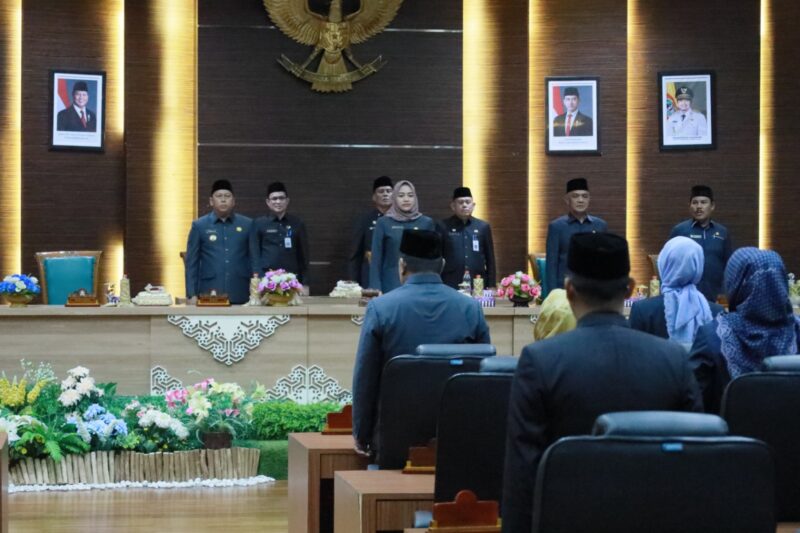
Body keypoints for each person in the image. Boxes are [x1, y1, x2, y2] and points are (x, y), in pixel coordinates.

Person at [502, 232, 703, 532]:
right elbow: (697, 462)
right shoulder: (673, 359)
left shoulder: (539, 361)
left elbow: (523, 474)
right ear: (630, 290)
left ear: (568, 290)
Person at [352, 229, 491, 458]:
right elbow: (484, 375)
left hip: (394, 439)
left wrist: (362, 433)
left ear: (402, 265)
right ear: (443, 265)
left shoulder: (381, 308)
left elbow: (366, 377)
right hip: (458, 436)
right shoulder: (470, 308)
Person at [689, 248, 800, 414]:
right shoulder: (796, 331)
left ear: (735, 284)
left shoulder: (712, 336)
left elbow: (692, 408)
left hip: (729, 438)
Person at [630, 236, 723, 348]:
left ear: (663, 264)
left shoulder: (642, 310)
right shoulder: (717, 312)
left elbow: (633, 358)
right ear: (698, 266)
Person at [184, 180, 253, 305]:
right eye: (219, 196)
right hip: (209, 292)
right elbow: (192, 262)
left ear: (233, 201)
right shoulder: (199, 226)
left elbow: (255, 258)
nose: (223, 200)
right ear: (211, 201)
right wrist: (191, 294)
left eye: (227, 196)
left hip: (241, 291)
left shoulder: (248, 224)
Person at [368, 180, 436, 293]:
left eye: (410, 195)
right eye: (401, 196)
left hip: (419, 286)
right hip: (390, 286)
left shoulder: (426, 223)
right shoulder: (384, 222)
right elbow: (376, 260)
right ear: (394, 198)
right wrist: (376, 289)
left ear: (415, 198)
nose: (406, 199)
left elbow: (431, 260)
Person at [669, 185, 732, 301]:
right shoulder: (680, 231)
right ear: (690, 206)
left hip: (715, 296)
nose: (699, 207)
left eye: (703, 202)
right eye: (695, 203)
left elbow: (729, 265)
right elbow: (669, 265)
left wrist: (725, 293)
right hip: (684, 297)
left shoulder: (722, 232)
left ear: (712, 206)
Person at [545, 178, 607, 295]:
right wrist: (552, 296)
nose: (580, 200)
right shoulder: (557, 227)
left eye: (584, 196)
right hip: (564, 291)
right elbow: (551, 265)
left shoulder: (600, 226)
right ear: (567, 200)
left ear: (589, 199)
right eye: (575, 196)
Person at [250, 181, 310, 285]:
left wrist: (305, 283)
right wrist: (259, 278)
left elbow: (303, 256)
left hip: (291, 279)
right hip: (266, 279)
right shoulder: (259, 223)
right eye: (274, 198)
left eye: (281, 198)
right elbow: (254, 254)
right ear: (268, 202)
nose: (278, 202)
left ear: (287, 201)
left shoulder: (297, 223)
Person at [438, 186, 497, 289]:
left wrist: (491, 284)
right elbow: (437, 257)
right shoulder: (443, 226)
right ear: (453, 206)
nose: (464, 205)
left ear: (473, 205)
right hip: (449, 283)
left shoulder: (483, 227)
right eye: (460, 202)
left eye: (467, 202)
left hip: (477, 283)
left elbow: (490, 259)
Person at [347, 176, 393, 286]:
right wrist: (353, 283)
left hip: (394, 273)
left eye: (389, 191)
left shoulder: (400, 219)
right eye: (381, 191)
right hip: (370, 273)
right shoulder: (364, 220)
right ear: (374, 197)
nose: (385, 194)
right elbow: (355, 255)